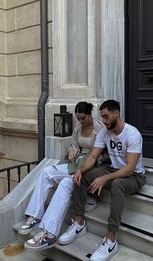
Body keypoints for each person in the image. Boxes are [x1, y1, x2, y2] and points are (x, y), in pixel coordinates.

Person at [58, 99, 146, 261]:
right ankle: (79, 224)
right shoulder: (105, 132)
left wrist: (105, 178)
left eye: (106, 117)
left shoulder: (132, 134)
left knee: (118, 185)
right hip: (112, 169)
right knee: (81, 176)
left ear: (116, 113)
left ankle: (111, 240)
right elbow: (92, 156)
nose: (103, 121)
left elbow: (130, 168)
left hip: (134, 176)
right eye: (102, 117)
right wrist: (80, 169)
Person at [19, 101, 104, 251]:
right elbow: (74, 144)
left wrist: (84, 165)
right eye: (78, 118)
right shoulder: (78, 128)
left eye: (83, 118)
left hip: (92, 166)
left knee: (66, 183)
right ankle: (34, 216)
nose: (80, 121)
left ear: (90, 115)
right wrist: (72, 150)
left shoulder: (100, 129)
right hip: (77, 164)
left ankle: (48, 234)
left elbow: (99, 156)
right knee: (47, 172)